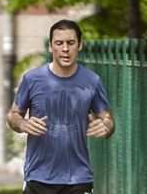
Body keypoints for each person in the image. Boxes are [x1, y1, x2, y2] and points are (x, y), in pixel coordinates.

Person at [7, 19, 115, 194]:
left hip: (78, 179)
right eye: (59, 43)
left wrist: (105, 127)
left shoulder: (92, 81)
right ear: (51, 47)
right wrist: (23, 124)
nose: (65, 48)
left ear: (79, 46)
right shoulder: (32, 79)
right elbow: (13, 115)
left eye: (70, 43)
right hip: (38, 177)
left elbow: (107, 119)